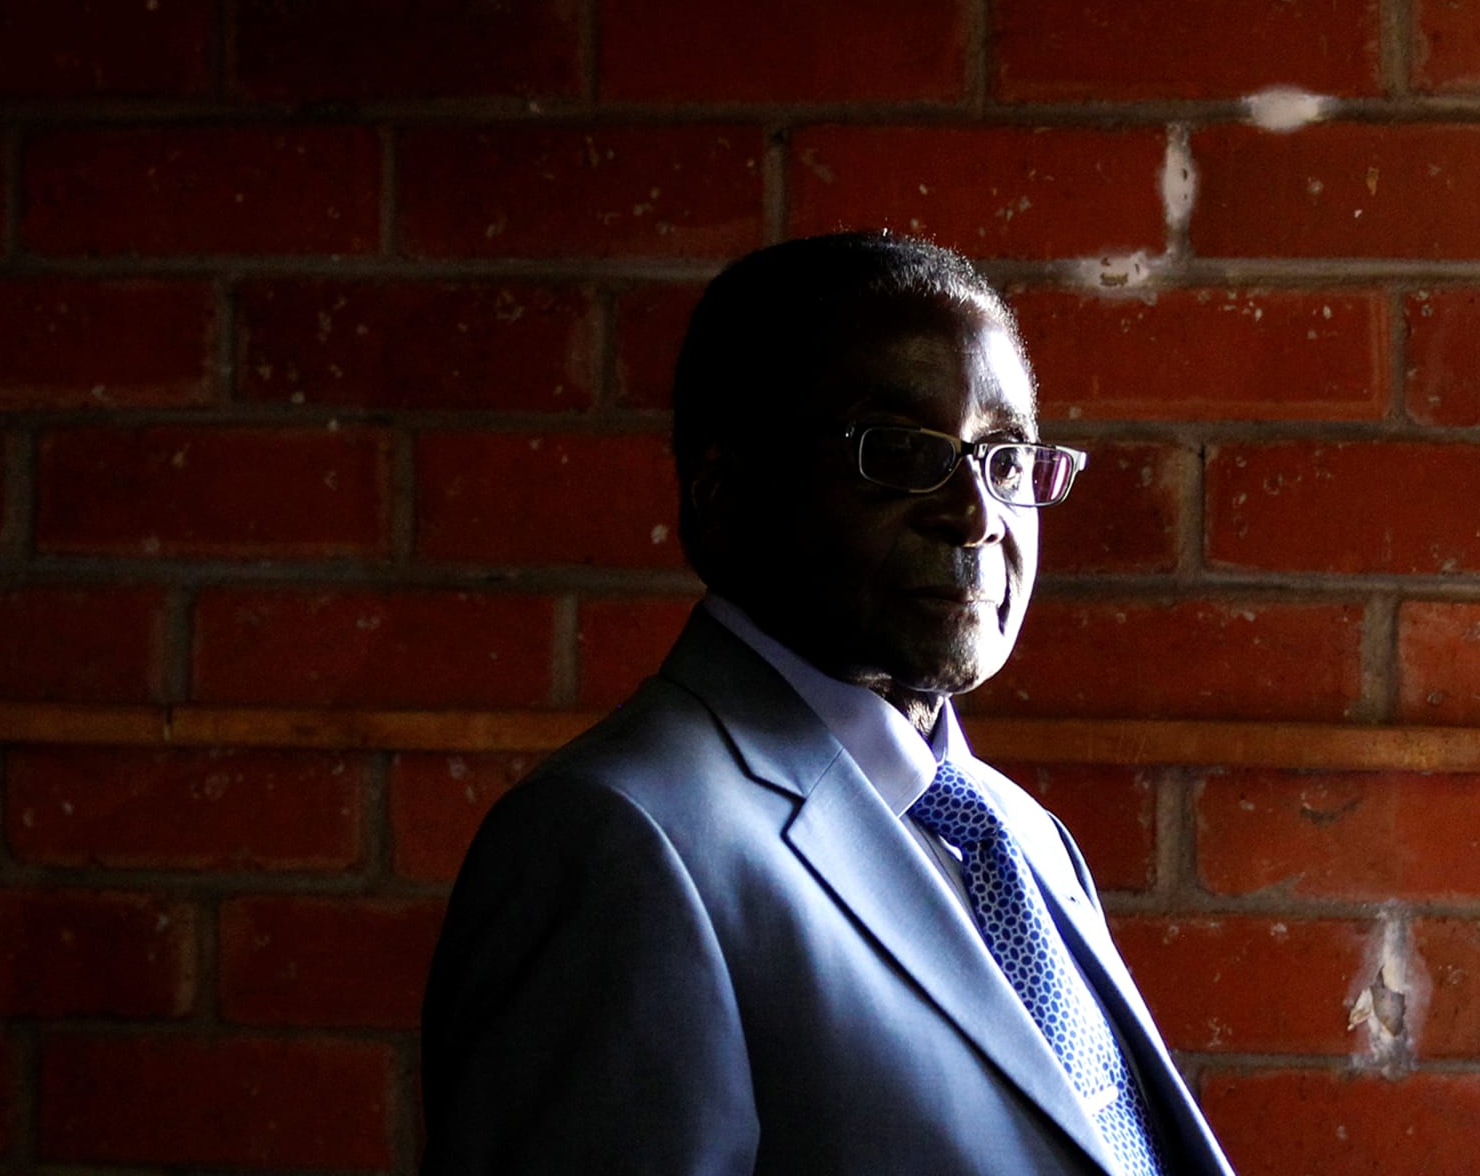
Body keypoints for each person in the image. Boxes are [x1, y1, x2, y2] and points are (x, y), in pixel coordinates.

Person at [417, 232, 1235, 1175]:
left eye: (1006, 458)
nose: (975, 514)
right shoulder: (614, 841)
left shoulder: (1019, 833)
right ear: (724, 495)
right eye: (900, 452)